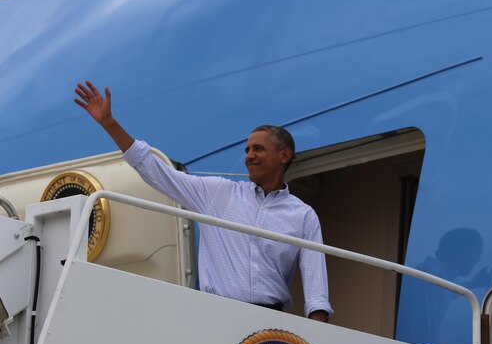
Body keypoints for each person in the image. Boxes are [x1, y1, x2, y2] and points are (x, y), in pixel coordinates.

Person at [74, 81, 332, 321]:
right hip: (215, 318)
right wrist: (109, 123)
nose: (249, 156)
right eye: (247, 150)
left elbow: (316, 292)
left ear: (284, 155)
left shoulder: (303, 215)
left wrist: (318, 342)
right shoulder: (217, 193)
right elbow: (154, 170)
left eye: (258, 149)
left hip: (272, 323)